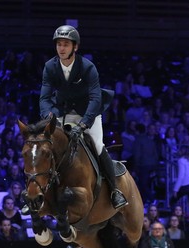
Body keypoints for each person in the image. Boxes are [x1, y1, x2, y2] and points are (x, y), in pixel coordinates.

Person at [39, 24, 127, 210]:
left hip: (89, 112)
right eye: (59, 44)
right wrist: (48, 115)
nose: (61, 48)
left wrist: (85, 123)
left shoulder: (88, 67)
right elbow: (45, 98)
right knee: (46, 147)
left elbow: (95, 98)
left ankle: (114, 191)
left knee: (97, 145)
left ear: (75, 47)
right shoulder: (49, 67)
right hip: (62, 113)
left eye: (65, 44)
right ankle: (40, 194)